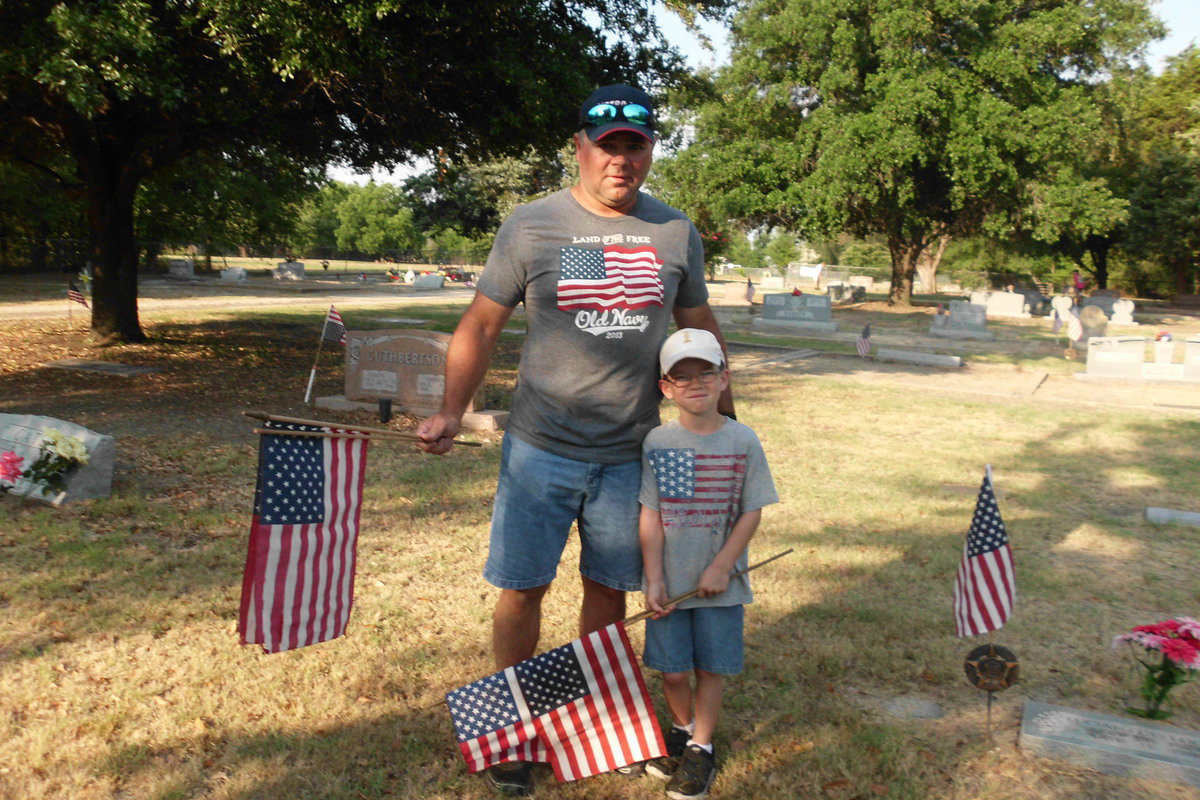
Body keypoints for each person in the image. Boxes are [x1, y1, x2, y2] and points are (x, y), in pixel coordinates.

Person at [416, 84, 735, 797]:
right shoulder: (531, 226)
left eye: (635, 145)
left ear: (650, 150)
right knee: (522, 589)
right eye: (607, 144)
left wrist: (727, 431)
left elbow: (701, 335)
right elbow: (480, 327)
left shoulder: (675, 232)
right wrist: (450, 409)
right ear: (580, 147)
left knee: (606, 591)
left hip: (629, 454)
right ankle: (512, 727)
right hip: (540, 451)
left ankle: (591, 714)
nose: (620, 160)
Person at [639, 328, 778, 800]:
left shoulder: (742, 440)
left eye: (706, 373)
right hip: (670, 585)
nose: (695, 384)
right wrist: (654, 577)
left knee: (709, 668)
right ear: (666, 387)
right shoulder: (659, 442)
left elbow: (751, 510)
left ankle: (701, 747)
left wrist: (722, 565)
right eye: (682, 377)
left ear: (724, 379)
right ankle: (681, 729)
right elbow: (652, 514)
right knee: (673, 669)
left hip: (721, 586)